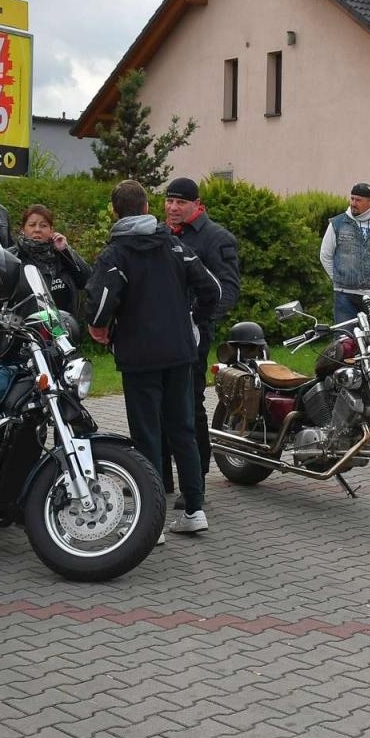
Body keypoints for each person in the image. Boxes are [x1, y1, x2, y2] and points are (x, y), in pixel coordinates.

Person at [86, 180, 219, 541]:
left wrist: (98, 328)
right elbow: (212, 290)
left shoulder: (116, 253)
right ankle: (194, 509)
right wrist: (193, 317)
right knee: (183, 431)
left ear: (115, 212)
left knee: (147, 436)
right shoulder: (174, 245)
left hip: (140, 357)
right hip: (179, 353)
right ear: (147, 208)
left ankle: (151, 523)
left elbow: (98, 303)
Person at [162, 177, 240, 493]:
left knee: (189, 404)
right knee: (158, 406)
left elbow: (229, 288)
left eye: (180, 202)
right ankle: (159, 478)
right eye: (169, 201)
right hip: (160, 333)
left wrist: (200, 320)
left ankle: (196, 480)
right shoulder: (161, 233)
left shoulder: (216, 238)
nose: (173, 208)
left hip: (193, 335)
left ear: (197, 204)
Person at [319, 182, 370, 323]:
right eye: (352, 198)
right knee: (345, 339)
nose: (353, 203)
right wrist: (339, 278)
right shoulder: (337, 223)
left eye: (358, 200)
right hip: (344, 295)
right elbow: (325, 255)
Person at [11, 204, 92, 315]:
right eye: (32, 225)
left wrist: (66, 251)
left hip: (66, 326)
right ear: (23, 229)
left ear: (51, 230)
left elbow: (87, 280)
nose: (37, 230)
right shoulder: (13, 257)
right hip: (27, 329)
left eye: (43, 225)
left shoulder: (61, 255)